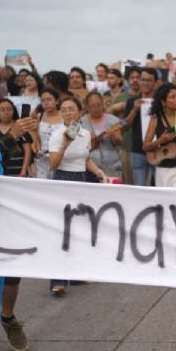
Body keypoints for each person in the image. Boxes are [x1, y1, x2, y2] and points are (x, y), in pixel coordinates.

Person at [48, 96, 109, 296]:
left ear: (80, 112)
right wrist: (65, 144)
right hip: (63, 179)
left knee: (79, 228)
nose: (67, 113)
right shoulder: (57, 134)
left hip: (81, 180)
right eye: (64, 110)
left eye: (71, 109)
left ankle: (76, 274)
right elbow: (53, 165)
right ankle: (58, 280)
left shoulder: (86, 134)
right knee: (62, 230)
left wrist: (99, 172)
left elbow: (85, 159)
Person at [0, 99, 34, 351]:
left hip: (11, 200)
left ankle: (8, 318)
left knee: (12, 265)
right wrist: (10, 138)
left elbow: (31, 151)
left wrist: (21, 135)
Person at [123, 67, 160, 186]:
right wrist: (134, 110)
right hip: (138, 151)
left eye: (149, 80)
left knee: (160, 186)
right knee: (139, 187)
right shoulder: (132, 101)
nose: (145, 83)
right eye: (143, 79)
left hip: (158, 150)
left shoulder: (161, 102)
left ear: (155, 83)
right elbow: (125, 126)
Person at [80, 91, 124, 181]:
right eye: (93, 106)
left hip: (112, 165)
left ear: (103, 104)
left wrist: (114, 137)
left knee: (113, 188)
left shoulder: (113, 120)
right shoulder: (81, 122)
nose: (96, 108)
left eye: (99, 105)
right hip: (90, 167)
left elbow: (120, 142)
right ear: (87, 107)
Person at [107, 68, 136, 183]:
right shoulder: (120, 98)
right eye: (132, 77)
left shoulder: (148, 97)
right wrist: (114, 109)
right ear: (127, 80)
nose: (135, 80)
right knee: (128, 182)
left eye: (138, 77)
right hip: (126, 145)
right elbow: (111, 122)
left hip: (144, 148)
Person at [34, 88, 63, 180]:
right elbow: (37, 138)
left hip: (60, 160)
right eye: (43, 100)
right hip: (42, 160)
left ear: (57, 101)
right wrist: (38, 149)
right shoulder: (39, 116)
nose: (46, 103)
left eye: (49, 99)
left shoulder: (64, 116)